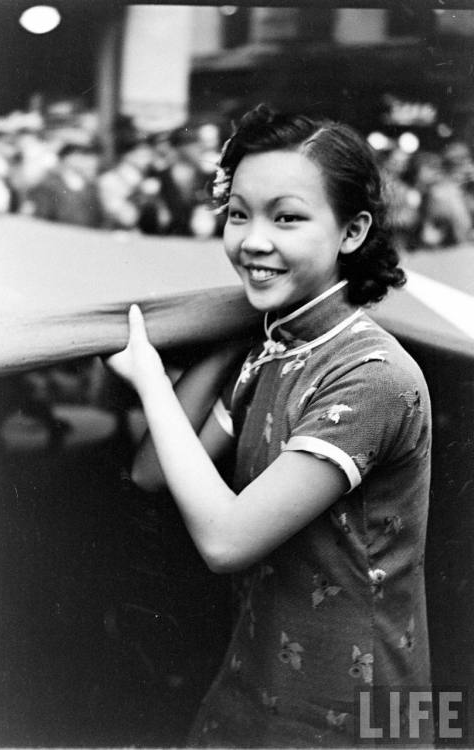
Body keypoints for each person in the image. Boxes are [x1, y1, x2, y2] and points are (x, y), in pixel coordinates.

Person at [106, 105, 432, 747]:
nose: (253, 240)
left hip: (355, 711)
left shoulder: (371, 373)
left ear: (352, 231)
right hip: (253, 680)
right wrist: (224, 344)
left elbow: (226, 542)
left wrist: (150, 376)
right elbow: (152, 472)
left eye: (287, 217)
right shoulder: (275, 348)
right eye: (238, 214)